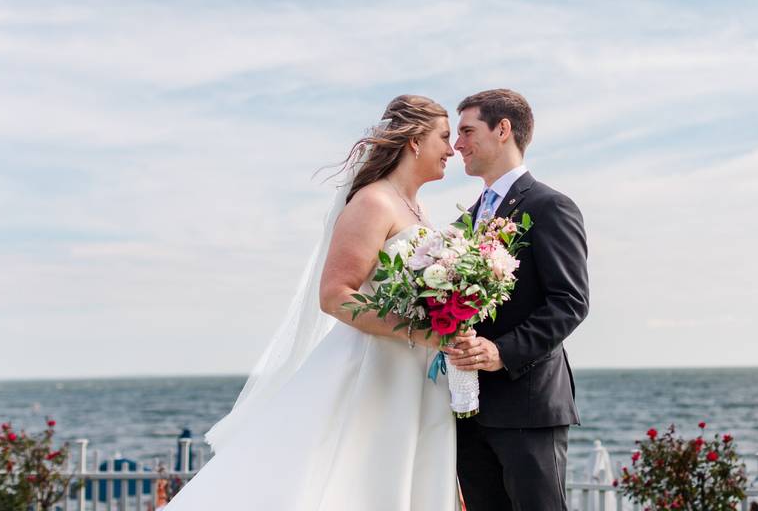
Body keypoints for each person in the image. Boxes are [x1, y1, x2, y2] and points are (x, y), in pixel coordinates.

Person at [163, 95, 460, 510]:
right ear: (414, 141)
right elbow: (336, 295)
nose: (452, 149)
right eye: (444, 138)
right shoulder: (373, 201)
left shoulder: (418, 207)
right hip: (376, 368)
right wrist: (419, 330)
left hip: (416, 373)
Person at [448, 89, 590, 511]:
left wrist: (501, 351)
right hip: (469, 409)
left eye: (467, 131)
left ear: (503, 129)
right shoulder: (463, 222)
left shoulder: (550, 207)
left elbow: (570, 301)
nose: (458, 144)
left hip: (528, 406)